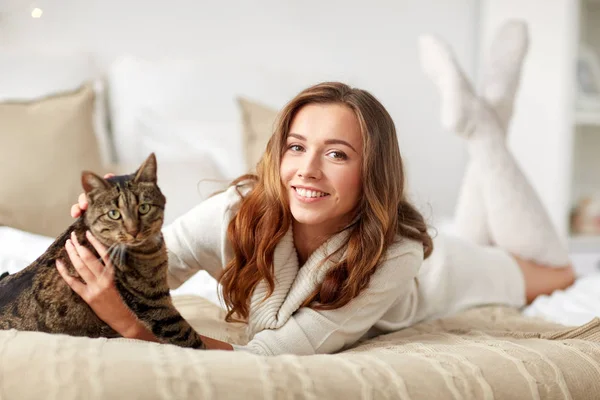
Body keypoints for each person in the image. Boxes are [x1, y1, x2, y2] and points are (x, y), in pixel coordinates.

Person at [59, 21, 575, 355]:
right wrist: (99, 235)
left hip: (447, 275)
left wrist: (131, 328)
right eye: (296, 147)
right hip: (430, 251)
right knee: (489, 218)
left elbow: (269, 357)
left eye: (336, 154)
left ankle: (483, 132)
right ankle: (491, 119)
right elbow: (151, 268)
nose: (307, 169)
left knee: (559, 270)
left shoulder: (398, 254)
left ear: (371, 172)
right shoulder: (234, 214)